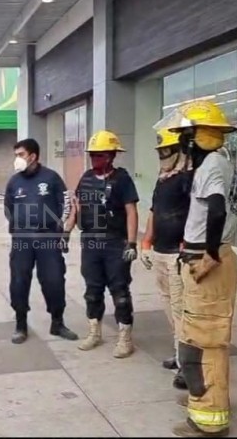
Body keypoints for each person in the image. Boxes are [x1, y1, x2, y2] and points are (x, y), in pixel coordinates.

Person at [156, 100, 237, 438]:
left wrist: (209, 256)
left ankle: (208, 419)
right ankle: (204, 397)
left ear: (198, 137)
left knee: (204, 342)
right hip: (200, 255)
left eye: (184, 137)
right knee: (197, 337)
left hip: (207, 261)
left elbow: (216, 210)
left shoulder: (211, 167)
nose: (180, 144)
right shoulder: (215, 163)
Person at [64, 130, 139, 358]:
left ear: (111, 156)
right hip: (90, 243)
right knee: (92, 291)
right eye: (92, 155)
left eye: (99, 155)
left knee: (120, 292)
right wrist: (66, 232)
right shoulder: (86, 178)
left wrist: (132, 243)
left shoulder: (122, 179)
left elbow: (131, 211)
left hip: (115, 242)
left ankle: (125, 338)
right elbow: (77, 207)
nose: (94, 159)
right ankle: (94, 332)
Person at [4, 138, 78, 344]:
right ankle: (20, 324)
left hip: (48, 238)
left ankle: (57, 322)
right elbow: (8, 208)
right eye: (16, 155)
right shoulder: (14, 181)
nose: (17, 159)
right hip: (22, 239)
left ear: (33, 156)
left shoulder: (51, 178)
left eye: (20, 155)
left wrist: (61, 229)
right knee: (19, 281)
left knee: (54, 280)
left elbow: (65, 205)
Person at [140, 128, 192, 387]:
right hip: (161, 250)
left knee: (180, 308)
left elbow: (196, 214)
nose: (162, 156)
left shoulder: (187, 179)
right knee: (168, 305)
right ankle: (179, 352)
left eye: (166, 151)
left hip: (177, 254)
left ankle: (187, 364)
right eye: (160, 152)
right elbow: (154, 211)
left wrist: (188, 245)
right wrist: (146, 242)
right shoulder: (163, 180)